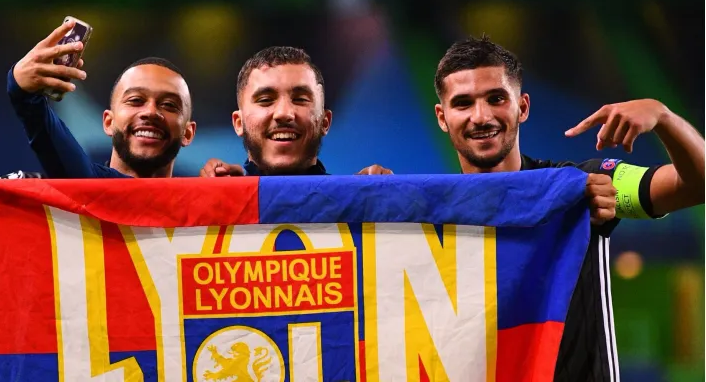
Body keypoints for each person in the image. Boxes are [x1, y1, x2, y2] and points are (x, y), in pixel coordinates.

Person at [433, 35, 704, 381]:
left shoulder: (583, 187)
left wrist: (664, 117)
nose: (481, 116)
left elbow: (697, 184)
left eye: (496, 98)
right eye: (463, 103)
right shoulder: (431, 210)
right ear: (442, 117)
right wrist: (366, 192)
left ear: (523, 107)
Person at [5, 19, 196, 179]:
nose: (151, 112)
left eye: (169, 105)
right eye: (136, 100)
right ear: (108, 122)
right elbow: (47, 135)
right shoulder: (85, 187)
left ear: (188, 133)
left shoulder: (202, 206)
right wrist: (22, 89)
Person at [199, 46, 391, 177]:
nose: (284, 113)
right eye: (266, 100)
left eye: (300, 99)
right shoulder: (209, 206)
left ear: (325, 121)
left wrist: (379, 206)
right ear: (238, 123)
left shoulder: (359, 205)